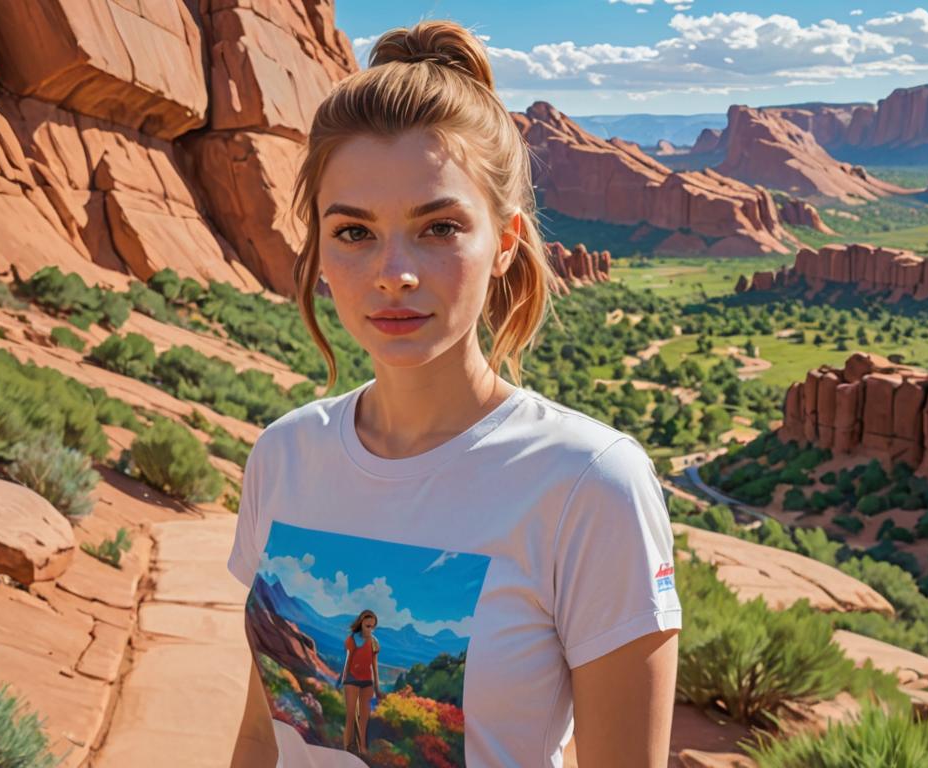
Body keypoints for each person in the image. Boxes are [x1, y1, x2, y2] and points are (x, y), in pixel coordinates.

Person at [228, 19, 681, 768]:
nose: (393, 272)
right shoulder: (286, 455)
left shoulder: (588, 483)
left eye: (437, 228)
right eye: (353, 232)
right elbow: (259, 738)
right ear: (318, 248)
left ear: (504, 243)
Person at [336, 610, 384, 755]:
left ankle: (362, 747)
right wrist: (343, 679)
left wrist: (377, 687)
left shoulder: (375, 642)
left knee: (364, 718)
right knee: (350, 715)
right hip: (352, 679)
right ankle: (347, 747)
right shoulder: (352, 640)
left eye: (372, 627)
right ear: (361, 623)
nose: (370, 629)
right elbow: (348, 661)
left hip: (367, 682)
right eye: (367, 626)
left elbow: (375, 666)